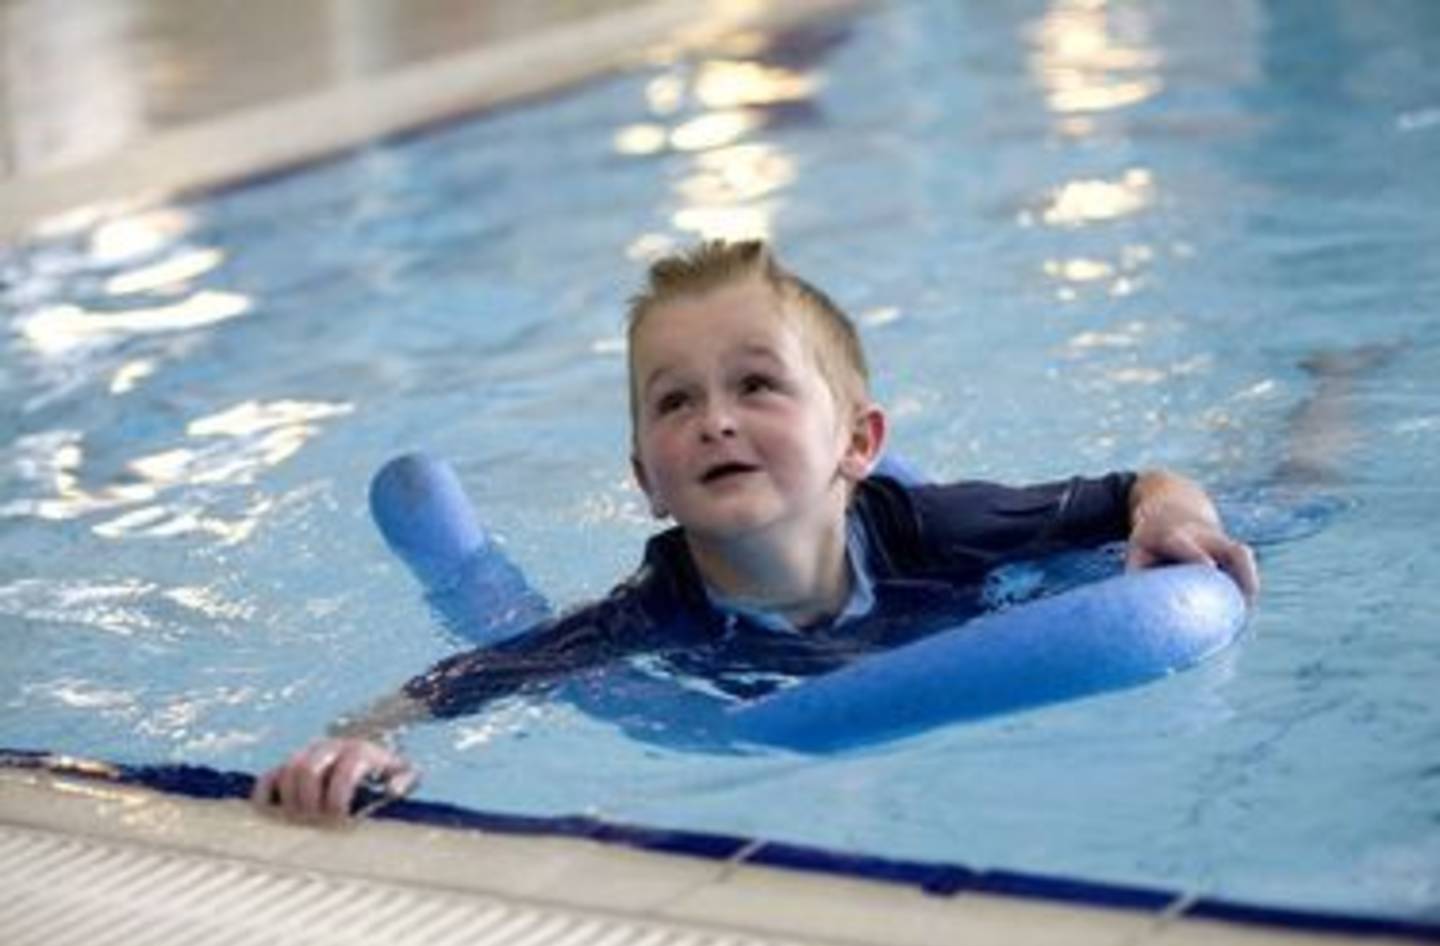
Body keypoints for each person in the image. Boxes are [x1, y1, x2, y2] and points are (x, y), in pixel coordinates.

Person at [252, 239, 1259, 821]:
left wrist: (1179, 513)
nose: (715, 420)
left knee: (1292, 493)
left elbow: (1142, 487)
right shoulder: (658, 613)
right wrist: (359, 746)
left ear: (857, 442)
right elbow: (469, 683)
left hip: (942, 594)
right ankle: (452, 553)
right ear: (648, 480)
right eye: (675, 402)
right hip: (805, 680)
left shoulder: (930, 529)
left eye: (756, 386)